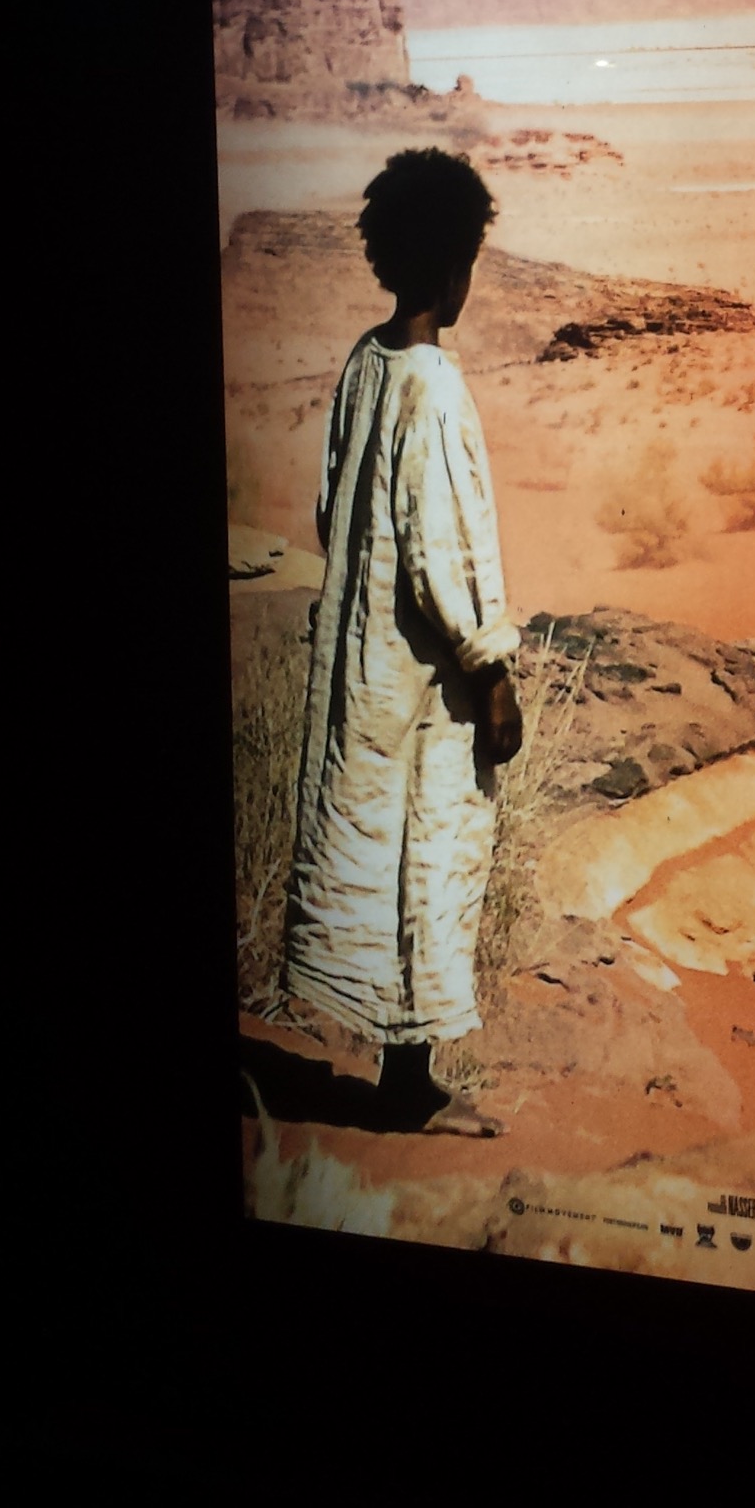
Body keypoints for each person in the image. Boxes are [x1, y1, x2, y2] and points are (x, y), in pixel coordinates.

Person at [284, 147, 524, 1135]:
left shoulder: (362, 362)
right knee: (425, 856)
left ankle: (403, 1078)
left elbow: (330, 508)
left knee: (385, 855)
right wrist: (492, 670)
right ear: (453, 266)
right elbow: (443, 553)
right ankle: (409, 1088)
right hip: (426, 684)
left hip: (364, 666)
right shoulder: (433, 386)